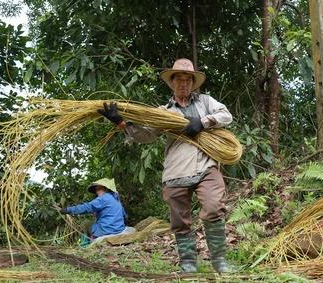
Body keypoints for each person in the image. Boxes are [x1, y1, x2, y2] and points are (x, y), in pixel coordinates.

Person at [98, 58, 234, 273]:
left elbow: (226, 115)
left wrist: (204, 122)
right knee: (180, 220)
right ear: (171, 83)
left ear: (193, 83)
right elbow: (146, 135)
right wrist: (121, 123)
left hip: (206, 164)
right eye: (179, 79)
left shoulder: (206, 102)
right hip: (176, 170)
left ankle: (220, 262)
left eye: (188, 80)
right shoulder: (163, 111)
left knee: (213, 207)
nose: (183, 84)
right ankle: (188, 264)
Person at [60, 178, 131, 240]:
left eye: (99, 189)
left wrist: (68, 210)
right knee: (94, 221)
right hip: (118, 229)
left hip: (106, 231)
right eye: (96, 189)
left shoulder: (103, 198)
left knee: (85, 223)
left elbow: (86, 207)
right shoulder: (116, 199)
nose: (97, 191)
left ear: (106, 188)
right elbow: (124, 216)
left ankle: (86, 241)